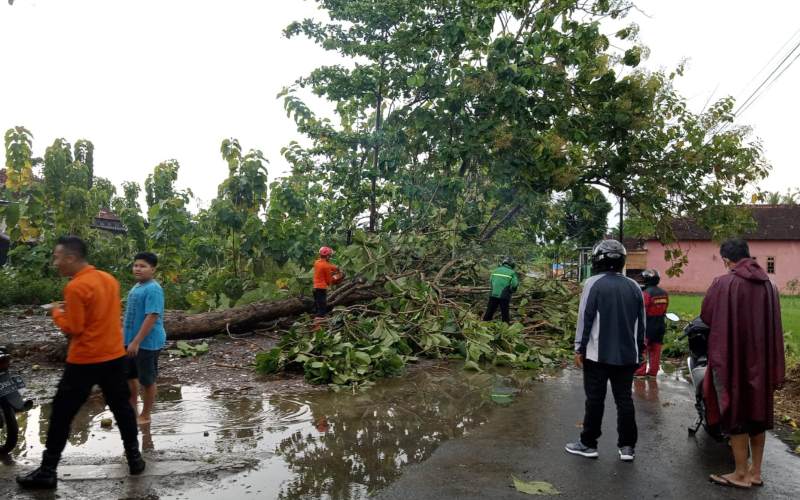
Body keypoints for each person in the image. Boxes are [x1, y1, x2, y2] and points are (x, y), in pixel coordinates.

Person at [17, 236, 145, 490]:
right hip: (114, 356)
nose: (55, 262)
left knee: (62, 414)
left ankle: (48, 471)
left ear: (71, 258)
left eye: (57, 257)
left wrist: (56, 313)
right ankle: (135, 459)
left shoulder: (75, 287)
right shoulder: (108, 279)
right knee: (122, 408)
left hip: (85, 360)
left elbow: (74, 328)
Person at [701, 239, 785, 489]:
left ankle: (739, 474)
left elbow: (707, 315)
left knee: (735, 411)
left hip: (732, 358)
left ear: (727, 260)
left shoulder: (722, 283)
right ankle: (755, 472)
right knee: (758, 412)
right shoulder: (769, 285)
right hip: (762, 360)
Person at [565, 239, 644, 462]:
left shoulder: (593, 283)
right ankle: (627, 447)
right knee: (624, 400)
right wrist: (640, 351)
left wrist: (579, 348)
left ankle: (589, 444)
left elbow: (585, 318)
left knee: (595, 400)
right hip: (627, 355)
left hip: (596, 355)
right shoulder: (634, 286)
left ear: (598, 260)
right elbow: (642, 323)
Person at [124, 252, 166, 425]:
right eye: (136, 265)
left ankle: (146, 415)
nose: (138, 269)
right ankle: (133, 410)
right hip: (130, 341)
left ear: (153, 269)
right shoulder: (137, 286)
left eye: (143, 266)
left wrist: (136, 342)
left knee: (147, 380)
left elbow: (152, 316)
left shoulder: (153, 289)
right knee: (130, 376)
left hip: (147, 343)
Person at [634, 269, 669, 377]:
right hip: (660, 325)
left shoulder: (646, 293)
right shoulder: (664, 293)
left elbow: (641, 310)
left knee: (642, 348)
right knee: (656, 350)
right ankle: (653, 373)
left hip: (647, 325)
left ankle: (640, 372)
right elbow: (665, 309)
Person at [483, 257, 519, 323]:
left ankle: (484, 323)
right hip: (504, 296)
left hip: (493, 294)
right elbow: (515, 284)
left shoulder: (495, 270)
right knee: (505, 313)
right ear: (512, 265)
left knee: (489, 311)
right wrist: (512, 290)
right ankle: (505, 326)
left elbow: (491, 281)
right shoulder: (512, 272)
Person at [313, 246, 344, 320]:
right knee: (322, 307)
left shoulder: (317, 262)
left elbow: (328, 266)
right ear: (327, 256)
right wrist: (336, 277)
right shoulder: (326, 266)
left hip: (315, 287)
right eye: (329, 255)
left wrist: (336, 268)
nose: (330, 257)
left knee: (318, 304)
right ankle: (319, 322)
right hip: (321, 288)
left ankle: (316, 317)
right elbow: (328, 281)